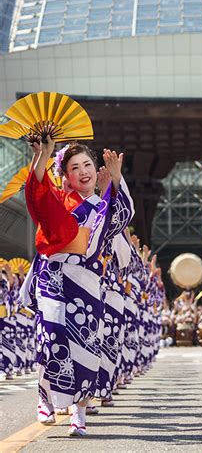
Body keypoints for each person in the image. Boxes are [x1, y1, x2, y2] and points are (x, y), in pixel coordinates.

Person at [25, 131, 134, 436]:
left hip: (86, 280)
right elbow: (38, 195)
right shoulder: (59, 199)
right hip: (53, 274)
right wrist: (43, 156)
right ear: (66, 176)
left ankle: (79, 414)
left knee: (85, 344)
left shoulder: (101, 205)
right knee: (52, 333)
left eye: (87, 164)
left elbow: (118, 219)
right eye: (74, 167)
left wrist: (115, 179)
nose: (83, 171)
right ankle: (45, 395)